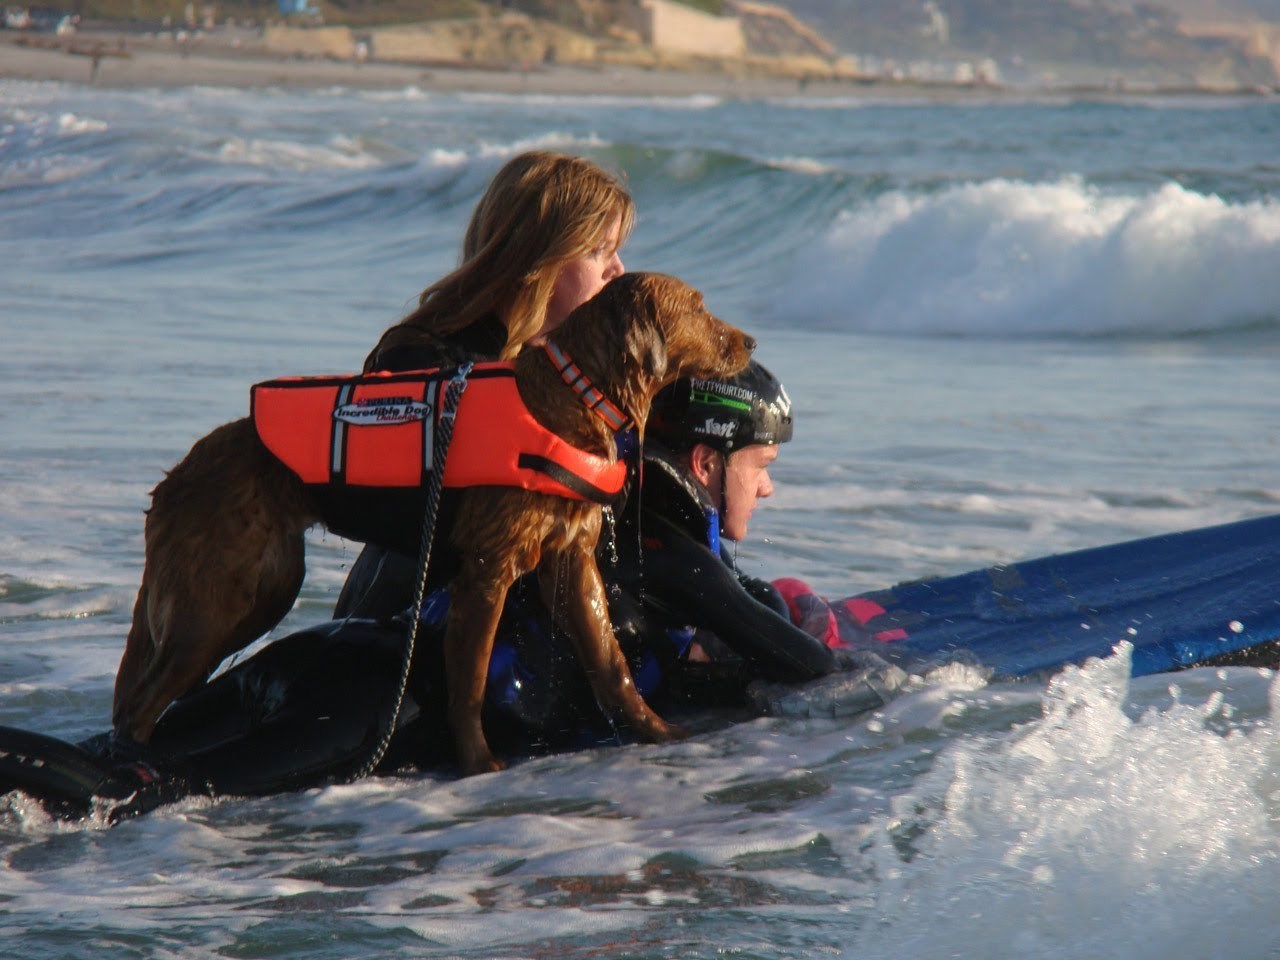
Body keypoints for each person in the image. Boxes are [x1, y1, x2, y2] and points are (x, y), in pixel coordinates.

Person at [0, 365, 850, 823]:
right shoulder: (669, 556)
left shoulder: (578, 509)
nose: (768, 489)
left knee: (111, 766)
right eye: (762, 467)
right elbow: (811, 667)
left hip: (330, 661)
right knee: (135, 800)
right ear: (705, 461)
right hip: (377, 711)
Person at [335, 148, 634, 618]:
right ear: (539, 256)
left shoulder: (571, 378)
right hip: (401, 619)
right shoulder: (423, 356)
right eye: (601, 251)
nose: (617, 270)